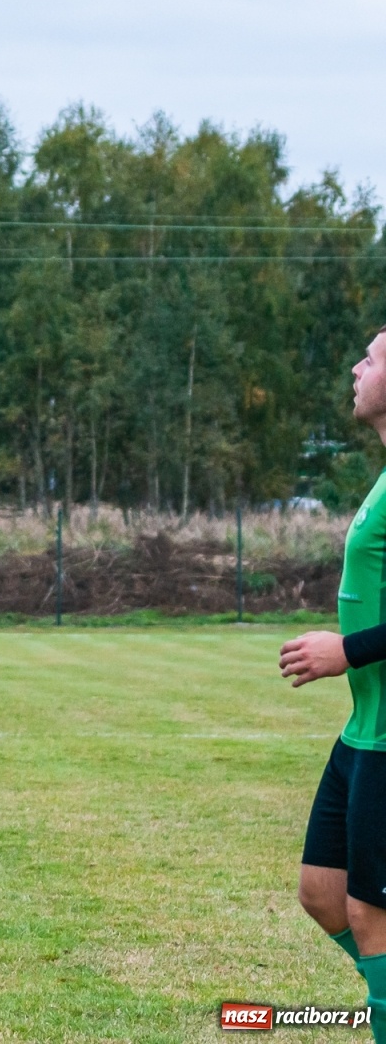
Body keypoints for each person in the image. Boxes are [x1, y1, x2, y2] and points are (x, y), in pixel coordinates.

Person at [280, 325, 386, 1041]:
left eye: (373, 357)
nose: (356, 366)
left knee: (372, 917)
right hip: (363, 730)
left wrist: (346, 649)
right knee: (322, 894)